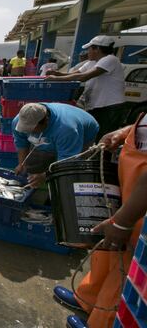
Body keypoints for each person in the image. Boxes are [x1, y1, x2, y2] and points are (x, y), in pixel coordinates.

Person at [53, 113, 147, 328]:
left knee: (127, 261)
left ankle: (101, 321)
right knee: (105, 248)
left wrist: (123, 221)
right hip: (131, 178)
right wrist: (125, 132)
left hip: (141, 200)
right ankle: (87, 299)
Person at [46, 35, 130, 140]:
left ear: (97, 49)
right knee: (93, 136)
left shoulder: (110, 60)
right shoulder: (92, 62)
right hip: (96, 106)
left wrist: (56, 79)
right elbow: (75, 73)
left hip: (110, 107)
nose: (87, 52)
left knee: (105, 138)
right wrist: (56, 74)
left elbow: (84, 77)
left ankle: (103, 157)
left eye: (89, 49)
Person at [12, 103, 99, 188]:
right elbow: (21, 142)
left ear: (46, 120)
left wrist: (45, 176)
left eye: (31, 129)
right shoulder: (19, 121)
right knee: (35, 165)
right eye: (25, 128)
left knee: (70, 173)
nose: (28, 132)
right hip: (58, 135)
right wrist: (21, 163)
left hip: (84, 135)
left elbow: (67, 162)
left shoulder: (67, 129)